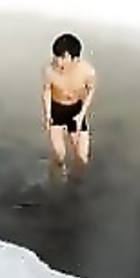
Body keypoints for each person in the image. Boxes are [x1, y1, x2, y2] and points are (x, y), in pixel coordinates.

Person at [41, 33, 96, 185]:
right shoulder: (49, 71)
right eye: (57, 57)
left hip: (76, 110)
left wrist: (81, 115)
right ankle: (54, 183)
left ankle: (74, 185)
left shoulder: (88, 71)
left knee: (82, 159)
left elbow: (91, 90)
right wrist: (48, 114)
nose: (59, 62)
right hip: (57, 110)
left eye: (63, 58)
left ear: (75, 59)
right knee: (59, 155)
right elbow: (47, 91)